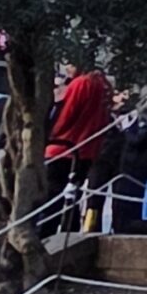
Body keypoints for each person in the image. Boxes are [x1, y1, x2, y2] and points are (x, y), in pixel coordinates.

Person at [40, 61, 115, 236]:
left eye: (69, 64)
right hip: (87, 150)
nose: (67, 68)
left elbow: (68, 113)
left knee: (54, 193)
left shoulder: (81, 83)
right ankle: (69, 230)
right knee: (73, 194)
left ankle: (46, 232)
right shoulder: (104, 86)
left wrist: (51, 134)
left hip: (64, 147)